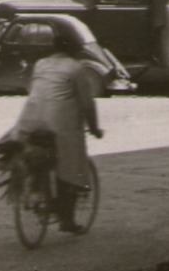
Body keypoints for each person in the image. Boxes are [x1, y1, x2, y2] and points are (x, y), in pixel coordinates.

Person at [14, 27, 103, 233]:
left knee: (38, 156)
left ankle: (36, 189)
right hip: (59, 128)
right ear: (73, 50)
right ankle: (67, 221)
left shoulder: (41, 64)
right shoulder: (75, 68)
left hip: (30, 122)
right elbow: (87, 104)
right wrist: (95, 128)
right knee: (71, 168)